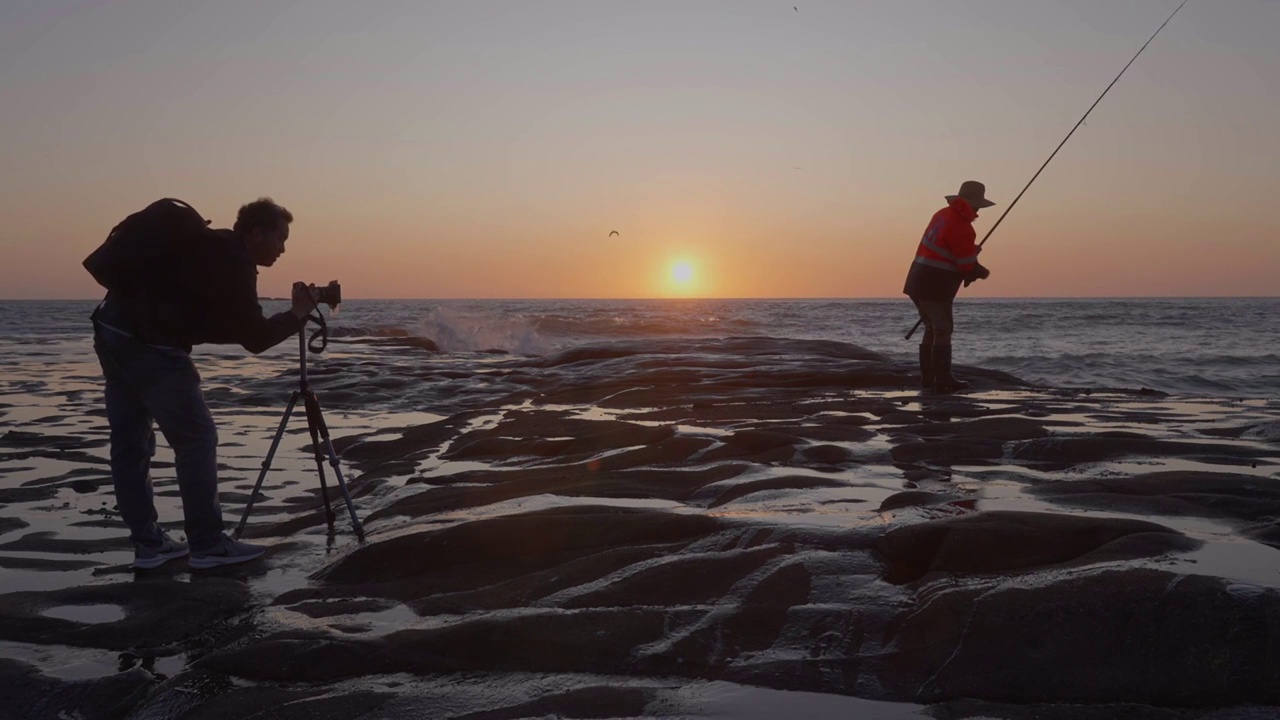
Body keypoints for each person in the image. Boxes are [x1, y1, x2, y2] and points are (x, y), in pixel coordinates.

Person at [91, 197, 317, 569]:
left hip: (111, 329)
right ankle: (208, 544)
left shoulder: (209, 247)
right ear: (256, 233)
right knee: (197, 440)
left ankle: (148, 545)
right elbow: (255, 338)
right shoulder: (232, 262)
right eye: (280, 239)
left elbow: (221, 324)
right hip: (150, 345)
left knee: (130, 445)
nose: (283, 249)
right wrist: (298, 314)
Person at [902, 181, 993, 393]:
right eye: (977, 207)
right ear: (971, 205)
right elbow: (965, 264)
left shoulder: (941, 215)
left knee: (932, 328)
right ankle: (942, 379)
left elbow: (949, 252)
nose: (978, 211)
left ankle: (929, 378)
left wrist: (970, 259)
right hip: (935, 285)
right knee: (943, 328)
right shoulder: (962, 227)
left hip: (916, 280)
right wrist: (979, 270)